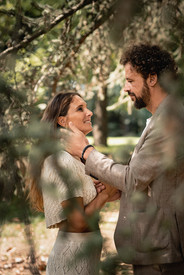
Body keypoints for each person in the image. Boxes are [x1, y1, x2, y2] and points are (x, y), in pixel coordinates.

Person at [64, 44, 184, 275]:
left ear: (152, 78)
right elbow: (146, 176)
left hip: (162, 253)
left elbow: (132, 178)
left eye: (130, 80)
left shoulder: (169, 121)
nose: (125, 88)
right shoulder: (160, 118)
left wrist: (86, 151)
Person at [27, 92, 120, 275]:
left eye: (87, 107)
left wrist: (106, 190)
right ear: (62, 121)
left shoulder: (73, 159)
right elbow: (78, 223)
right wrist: (103, 195)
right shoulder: (62, 161)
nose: (90, 112)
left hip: (85, 260)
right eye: (80, 109)